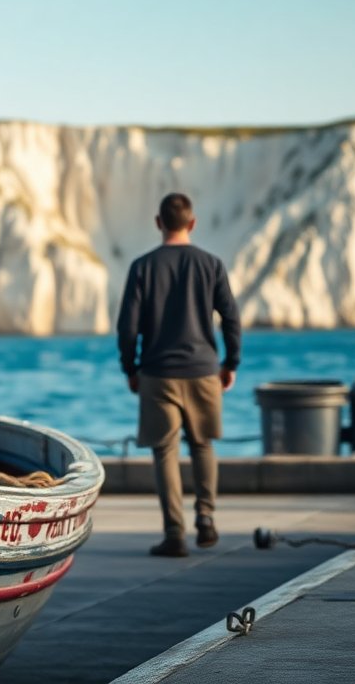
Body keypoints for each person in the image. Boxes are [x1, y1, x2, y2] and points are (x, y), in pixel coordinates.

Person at [116, 192, 241, 557]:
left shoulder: (142, 267)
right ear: (193, 223)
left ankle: (174, 534)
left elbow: (127, 327)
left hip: (158, 373)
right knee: (203, 445)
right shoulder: (211, 264)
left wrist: (131, 368)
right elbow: (231, 318)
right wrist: (230, 363)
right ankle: (206, 518)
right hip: (204, 371)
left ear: (158, 223)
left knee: (165, 450)